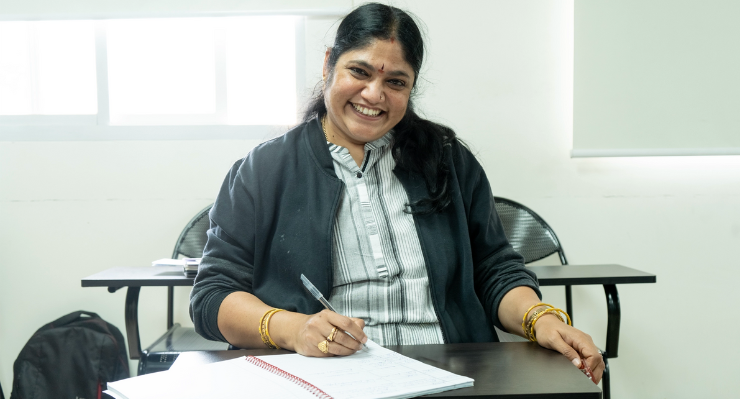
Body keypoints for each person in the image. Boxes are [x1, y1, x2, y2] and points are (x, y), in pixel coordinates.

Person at [190, 2, 605, 383]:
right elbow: (213, 297)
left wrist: (541, 319)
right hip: (325, 374)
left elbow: (494, 269)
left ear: (411, 87)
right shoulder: (262, 171)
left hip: (452, 370)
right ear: (327, 65)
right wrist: (294, 328)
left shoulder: (448, 160)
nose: (374, 94)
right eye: (359, 71)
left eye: (396, 81)